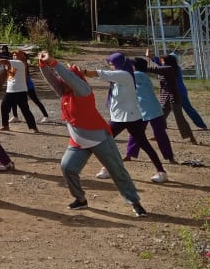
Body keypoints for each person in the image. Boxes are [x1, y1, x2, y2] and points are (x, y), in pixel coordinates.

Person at [37, 51, 147, 217]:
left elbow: (70, 78)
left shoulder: (84, 91)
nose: (62, 81)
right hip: (79, 141)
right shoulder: (64, 93)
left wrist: (54, 63)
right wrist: (43, 65)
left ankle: (135, 202)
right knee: (68, 167)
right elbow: (53, 80)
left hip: (99, 138)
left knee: (117, 170)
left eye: (65, 79)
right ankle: (80, 200)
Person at [81, 52, 167, 184]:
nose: (111, 67)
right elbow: (100, 77)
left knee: (144, 144)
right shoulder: (117, 77)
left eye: (112, 64)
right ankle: (107, 168)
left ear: (119, 64)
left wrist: (82, 71)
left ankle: (161, 172)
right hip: (118, 118)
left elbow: (96, 73)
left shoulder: (124, 75)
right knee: (103, 142)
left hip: (131, 117)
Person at [127, 57, 176, 165]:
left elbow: (123, 76)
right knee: (137, 132)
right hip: (146, 109)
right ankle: (129, 154)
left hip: (151, 109)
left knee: (159, 134)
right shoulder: (140, 75)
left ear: (135, 67)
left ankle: (169, 157)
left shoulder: (138, 75)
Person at [144, 51, 197, 144]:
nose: (162, 62)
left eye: (163, 61)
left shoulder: (169, 69)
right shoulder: (170, 68)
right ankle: (158, 135)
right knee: (161, 117)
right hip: (166, 98)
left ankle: (191, 137)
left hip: (173, 98)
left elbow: (153, 69)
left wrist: (140, 66)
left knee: (180, 118)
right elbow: (156, 68)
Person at [0, 49, 38, 133]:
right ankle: (5, 126)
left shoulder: (20, 63)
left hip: (20, 91)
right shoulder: (11, 63)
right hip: (10, 90)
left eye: (16, 55)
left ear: (21, 56)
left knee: (25, 110)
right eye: (14, 55)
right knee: (4, 107)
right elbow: (6, 73)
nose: (14, 56)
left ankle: (34, 127)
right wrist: (0, 84)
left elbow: (5, 61)